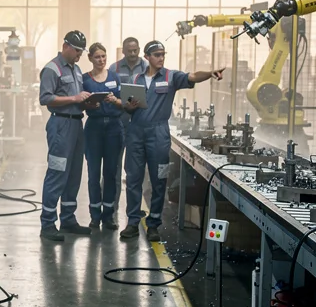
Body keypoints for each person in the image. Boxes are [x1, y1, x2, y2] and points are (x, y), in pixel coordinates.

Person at [120, 40, 224, 242]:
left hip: (158, 133)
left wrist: (210, 73)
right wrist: (129, 105)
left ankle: (154, 225)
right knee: (133, 178)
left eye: (163, 54)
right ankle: (133, 222)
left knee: (160, 179)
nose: (161, 58)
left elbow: (193, 76)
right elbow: (126, 107)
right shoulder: (136, 78)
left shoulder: (171, 77)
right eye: (157, 55)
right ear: (147, 57)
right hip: (136, 132)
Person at [38, 31, 97, 241]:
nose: (79, 55)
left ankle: (68, 219)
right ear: (66, 46)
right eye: (77, 51)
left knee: (73, 173)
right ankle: (47, 223)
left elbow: (76, 98)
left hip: (76, 125)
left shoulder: (77, 69)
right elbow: (45, 98)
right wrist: (74, 97)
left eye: (82, 51)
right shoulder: (52, 68)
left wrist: (87, 102)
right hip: (60, 125)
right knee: (57, 172)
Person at [82, 43, 124, 230]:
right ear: (90, 58)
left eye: (104, 56)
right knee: (93, 173)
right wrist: (89, 105)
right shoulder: (85, 80)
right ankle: (94, 216)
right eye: (97, 57)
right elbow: (79, 104)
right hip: (94, 128)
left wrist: (115, 101)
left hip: (114, 128)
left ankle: (109, 216)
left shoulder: (115, 78)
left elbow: (126, 103)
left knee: (110, 172)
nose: (101, 60)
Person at [107, 37, 147, 225]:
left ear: (139, 49)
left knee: (135, 171)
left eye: (135, 51)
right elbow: (108, 93)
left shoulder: (147, 67)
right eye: (129, 51)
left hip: (139, 126)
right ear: (123, 51)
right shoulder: (114, 69)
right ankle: (110, 209)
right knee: (113, 169)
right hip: (118, 124)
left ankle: (135, 210)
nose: (132, 54)